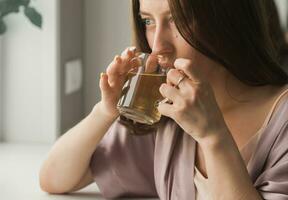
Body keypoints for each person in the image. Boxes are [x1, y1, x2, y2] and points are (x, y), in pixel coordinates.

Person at [39, 0, 288, 199]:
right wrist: (105, 111)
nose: (158, 46)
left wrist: (213, 137)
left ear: (226, 18)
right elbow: (54, 178)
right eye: (147, 20)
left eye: (178, 20)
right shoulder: (168, 118)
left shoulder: (281, 121)